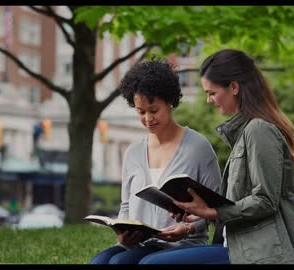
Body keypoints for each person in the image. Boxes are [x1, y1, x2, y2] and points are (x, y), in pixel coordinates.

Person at [139, 49, 294, 264]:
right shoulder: (246, 131)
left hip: (257, 252)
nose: (208, 100)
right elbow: (241, 201)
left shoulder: (258, 130)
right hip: (235, 244)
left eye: (212, 93)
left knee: (152, 263)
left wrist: (213, 211)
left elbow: (265, 200)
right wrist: (201, 212)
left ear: (233, 87)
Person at [89, 57, 222, 264]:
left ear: (169, 102)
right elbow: (126, 207)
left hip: (183, 245)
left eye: (153, 110)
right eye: (140, 112)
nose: (147, 119)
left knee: (119, 263)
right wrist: (123, 234)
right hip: (141, 244)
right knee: (99, 262)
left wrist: (188, 228)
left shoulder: (198, 147)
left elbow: (217, 212)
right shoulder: (133, 152)